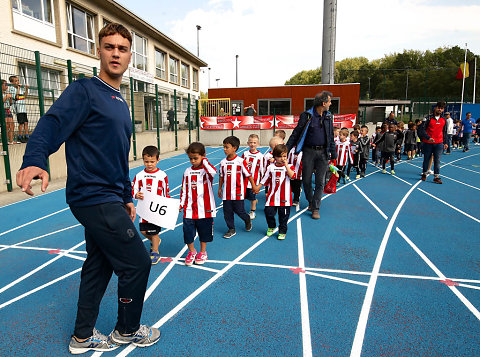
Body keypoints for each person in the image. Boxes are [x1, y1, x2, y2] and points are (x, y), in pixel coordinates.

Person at [16, 23, 160, 354]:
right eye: (109, 46)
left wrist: (126, 196)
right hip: (92, 196)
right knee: (137, 262)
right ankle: (127, 330)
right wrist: (35, 158)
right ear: (99, 51)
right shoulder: (84, 90)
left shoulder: (121, 101)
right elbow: (52, 123)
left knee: (100, 263)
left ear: (129, 57)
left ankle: (82, 337)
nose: (115, 53)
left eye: (122, 49)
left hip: (109, 196)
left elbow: (118, 155)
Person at [286, 91, 336, 220]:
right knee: (306, 180)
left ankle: (315, 208)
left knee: (320, 182)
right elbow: (296, 133)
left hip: (324, 153)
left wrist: (333, 153)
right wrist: (286, 150)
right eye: (329, 101)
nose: (331, 104)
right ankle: (310, 201)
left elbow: (330, 135)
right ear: (323, 103)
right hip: (308, 152)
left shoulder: (329, 116)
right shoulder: (307, 115)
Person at [180, 142, 217, 266]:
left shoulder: (206, 171)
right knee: (188, 232)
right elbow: (184, 189)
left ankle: (202, 252)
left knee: (204, 232)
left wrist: (204, 160)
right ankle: (191, 251)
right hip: (189, 209)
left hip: (205, 209)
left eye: (196, 158)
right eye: (190, 158)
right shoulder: (187, 171)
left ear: (203, 156)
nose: (193, 161)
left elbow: (213, 172)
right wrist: (181, 204)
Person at [132, 145, 170, 265]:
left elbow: (166, 191)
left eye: (152, 161)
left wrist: (167, 205)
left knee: (154, 231)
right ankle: (156, 241)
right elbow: (133, 189)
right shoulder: (139, 175)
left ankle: (155, 251)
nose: (149, 164)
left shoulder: (162, 175)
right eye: (146, 161)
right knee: (144, 231)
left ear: (158, 160)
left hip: (156, 209)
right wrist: (136, 194)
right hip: (144, 209)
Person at [218, 136, 258, 239]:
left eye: (227, 147)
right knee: (227, 212)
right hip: (226, 193)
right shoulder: (222, 162)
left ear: (234, 148)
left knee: (239, 211)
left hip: (238, 192)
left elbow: (249, 175)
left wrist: (254, 186)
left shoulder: (240, 161)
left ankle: (247, 219)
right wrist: (219, 188)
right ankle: (231, 229)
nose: (224, 149)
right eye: (224, 147)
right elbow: (221, 176)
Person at [258, 144, 296, 240]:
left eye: (284, 156)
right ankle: (271, 226)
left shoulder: (290, 166)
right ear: (274, 157)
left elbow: (293, 176)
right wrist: (257, 187)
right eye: (279, 156)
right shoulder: (271, 167)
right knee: (268, 212)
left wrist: (286, 165)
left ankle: (282, 231)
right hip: (272, 197)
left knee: (283, 217)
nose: (282, 158)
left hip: (285, 198)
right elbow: (265, 179)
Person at [417, 101, 448, 184]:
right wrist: (428, 138)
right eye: (438, 107)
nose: (440, 109)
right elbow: (422, 129)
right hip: (428, 143)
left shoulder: (444, 120)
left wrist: (445, 142)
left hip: (439, 143)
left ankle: (436, 177)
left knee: (437, 160)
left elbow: (444, 132)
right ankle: (424, 174)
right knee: (426, 159)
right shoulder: (428, 118)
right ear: (435, 108)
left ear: (443, 110)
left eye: (441, 108)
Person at [241, 134, 265, 219]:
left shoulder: (260, 156)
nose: (252, 144)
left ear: (258, 144)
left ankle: (252, 211)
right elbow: (241, 165)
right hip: (244, 181)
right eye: (250, 142)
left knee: (252, 198)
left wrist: (261, 182)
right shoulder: (245, 154)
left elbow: (262, 169)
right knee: (243, 196)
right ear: (248, 143)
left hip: (254, 182)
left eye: (254, 142)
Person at [9, 75, 29, 143]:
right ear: (12, 82)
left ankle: (26, 136)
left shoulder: (20, 89)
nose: (17, 82)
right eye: (16, 81)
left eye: (18, 80)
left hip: (23, 108)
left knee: (26, 122)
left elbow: (25, 96)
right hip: (18, 109)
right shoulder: (12, 89)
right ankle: (20, 136)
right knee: (21, 123)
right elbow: (17, 97)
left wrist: (26, 89)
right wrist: (18, 88)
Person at [2, 79, 14, 144]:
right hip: (3, 110)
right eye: (5, 84)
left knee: (11, 125)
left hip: (8, 109)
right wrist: (6, 97)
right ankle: (5, 141)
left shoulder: (6, 93)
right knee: (5, 125)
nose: (7, 86)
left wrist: (11, 98)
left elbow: (10, 103)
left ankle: (11, 141)